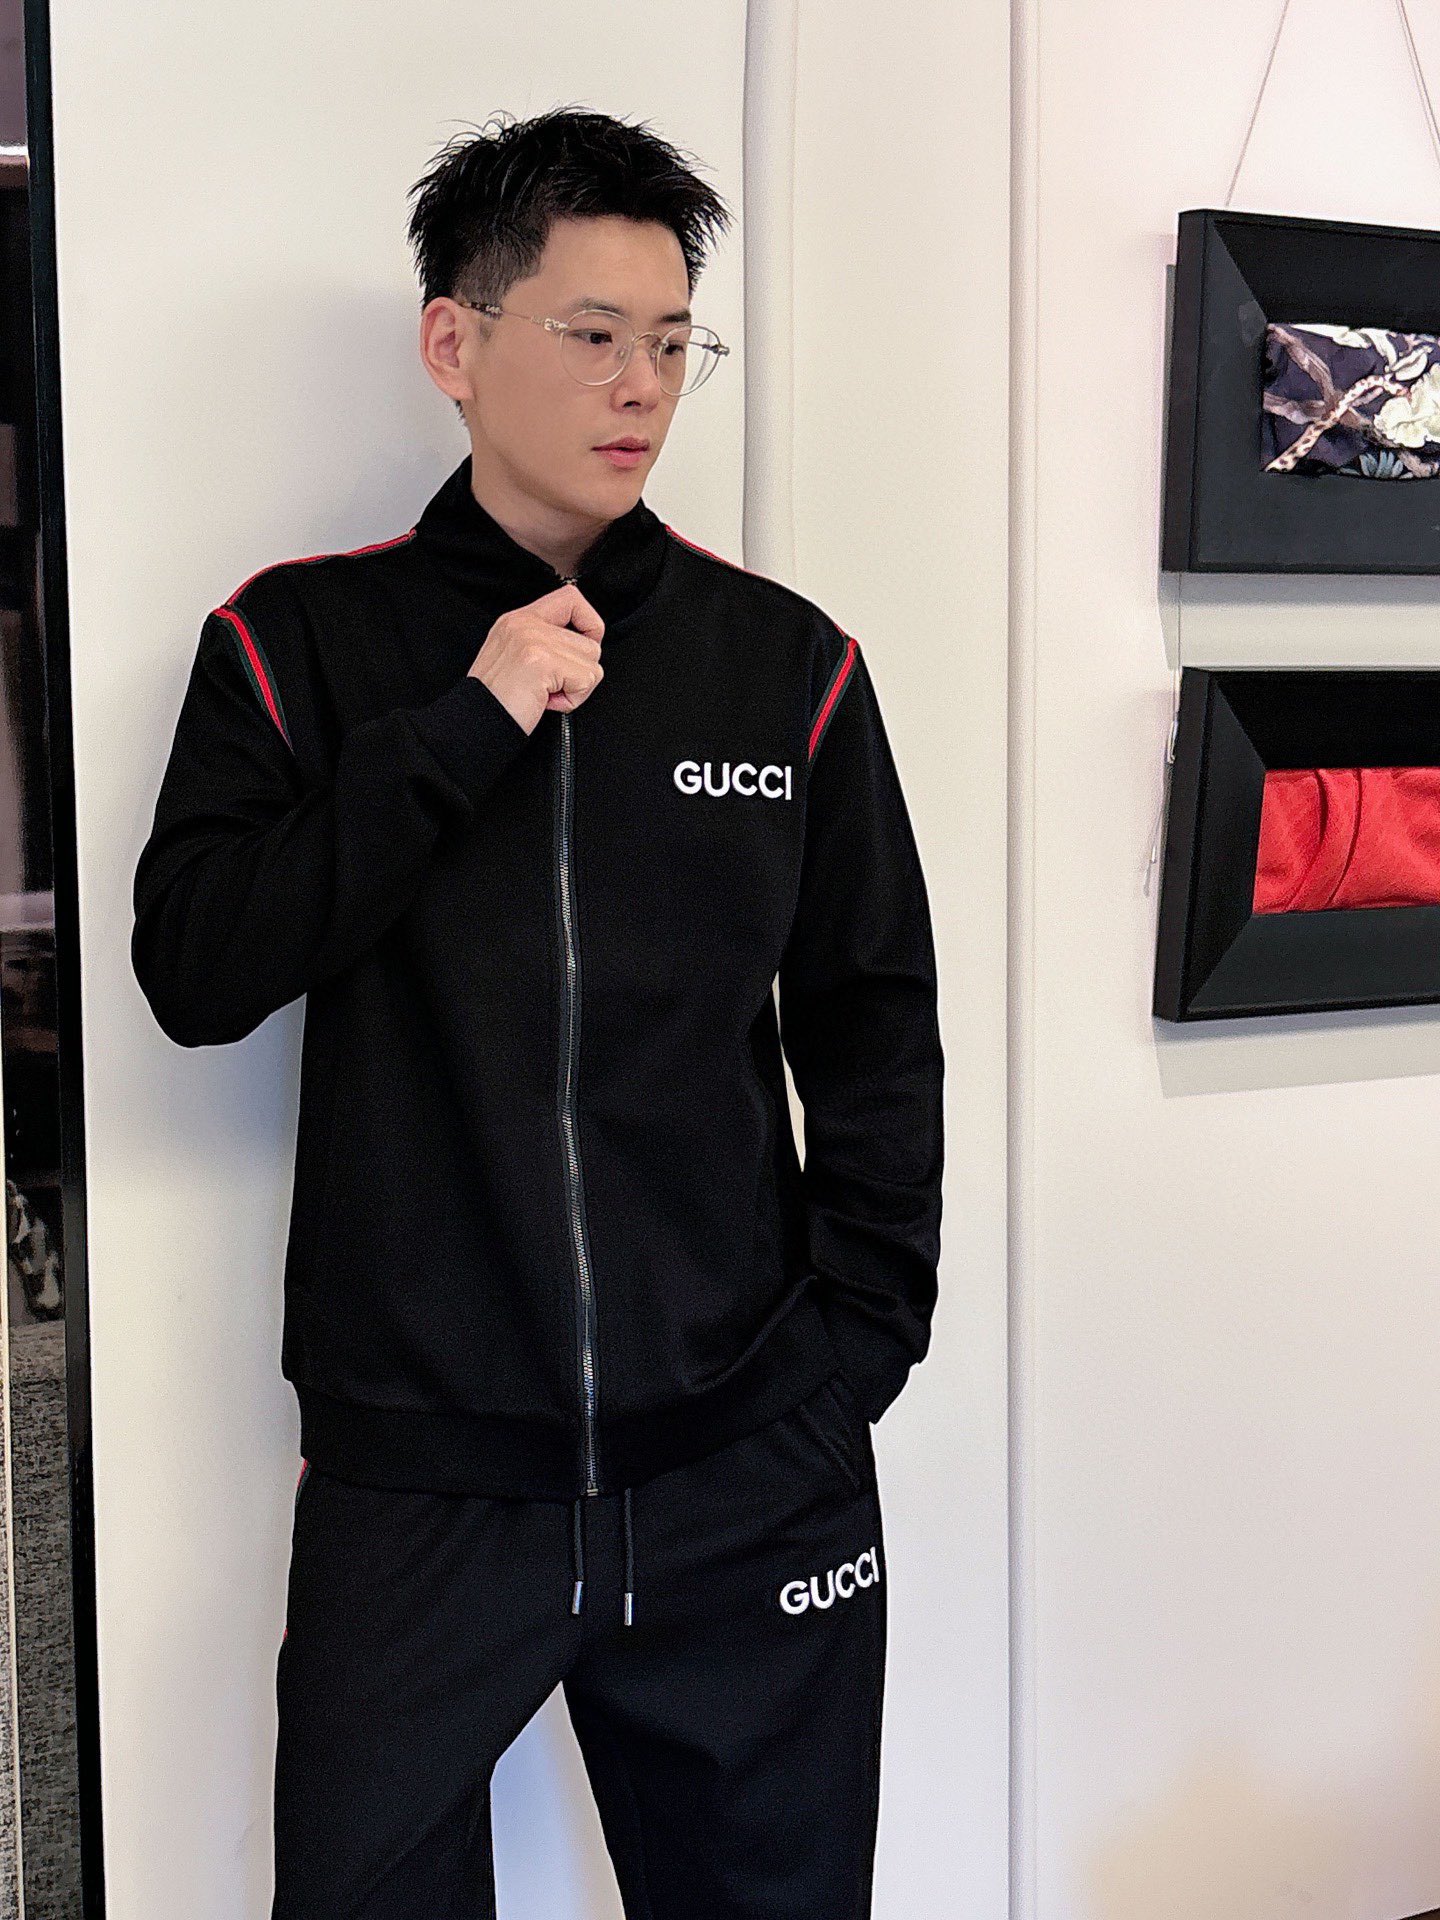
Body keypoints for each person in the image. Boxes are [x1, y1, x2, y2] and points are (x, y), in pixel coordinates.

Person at [131, 103, 944, 1920]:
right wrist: (463, 727)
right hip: (422, 1493)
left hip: (746, 1467)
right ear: (456, 342)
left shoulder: (787, 666)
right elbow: (195, 969)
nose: (640, 385)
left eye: (672, 342)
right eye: (591, 332)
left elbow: (874, 1023)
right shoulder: (298, 645)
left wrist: (850, 1359)